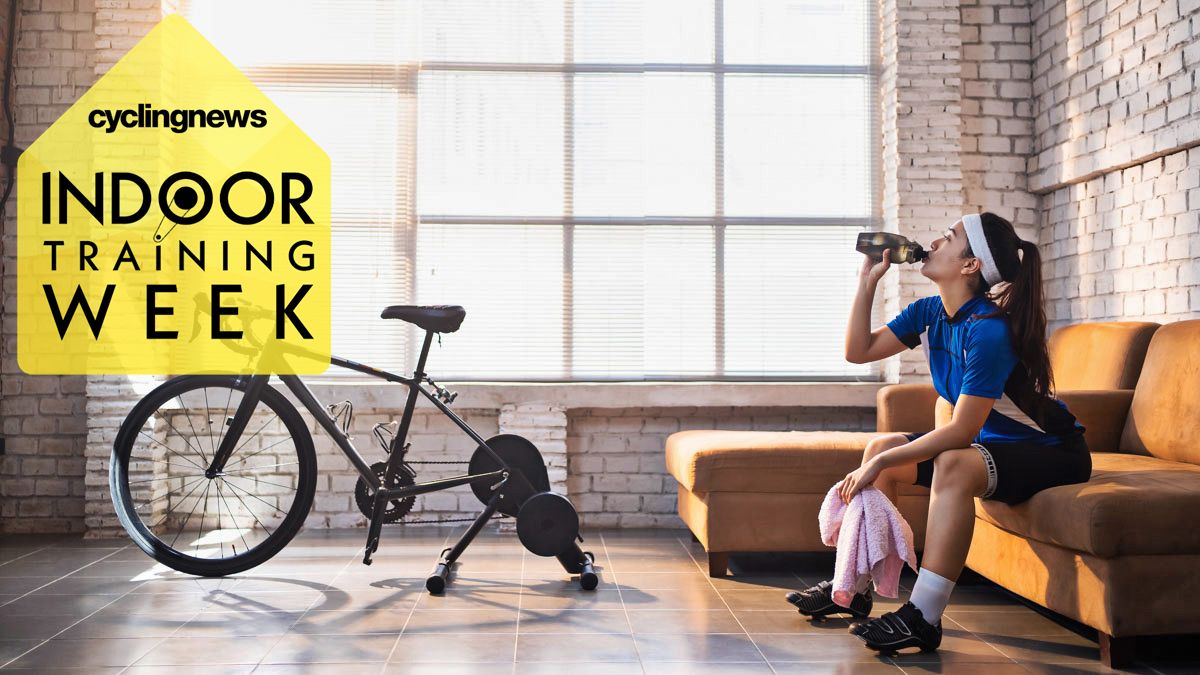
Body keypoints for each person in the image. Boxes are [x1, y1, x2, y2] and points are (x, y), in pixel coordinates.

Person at [785, 212, 1091, 654]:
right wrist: (867, 282)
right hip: (998, 446)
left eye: (949, 237)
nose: (934, 240)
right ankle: (851, 590)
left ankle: (923, 617)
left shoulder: (988, 330)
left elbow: (962, 431)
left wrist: (881, 463)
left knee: (945, 463)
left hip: (1053, 452)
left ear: (970, 266)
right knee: (882, 446)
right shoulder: (931, 312)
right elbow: (859, 351)